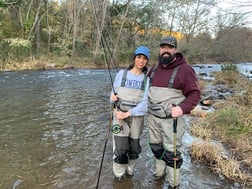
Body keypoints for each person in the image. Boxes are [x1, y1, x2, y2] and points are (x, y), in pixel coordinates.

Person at [147, 36, 201, 188]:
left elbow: (195, 94)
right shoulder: (153, 68)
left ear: (175, 50)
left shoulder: (185, 70)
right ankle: (158, 176)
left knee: (172, 154)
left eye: (169, 47)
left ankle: (173, 184)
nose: (166, 50)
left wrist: (182, 108)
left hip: (173, 121)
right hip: (153, 119)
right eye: (163, 47)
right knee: (156, 148)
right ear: (159, 49)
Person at [110, 45, 150, 178]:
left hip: (136, 118)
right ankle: (119, 177)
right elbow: (113, 94)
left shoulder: (147, 79)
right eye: (139, 57)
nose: (141, 60)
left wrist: (128, 113)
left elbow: (145, 104)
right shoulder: (121, 74)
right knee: (120, 148)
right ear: (134, 58)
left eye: (145, 58)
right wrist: (112, 98)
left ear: (147, 61)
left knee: (134, 148)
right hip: (118, 118)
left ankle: (130, 171)